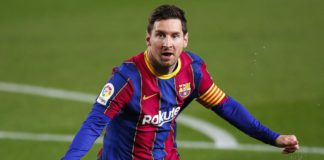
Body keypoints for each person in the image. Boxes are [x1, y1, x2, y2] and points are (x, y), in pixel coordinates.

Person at [62, 4, 299, 160]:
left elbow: (227, 106)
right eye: (160, 35)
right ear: (148, 39)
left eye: (175, 36)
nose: (167, 43)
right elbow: (94, 123)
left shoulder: (192, 72)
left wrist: (273, 137)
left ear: (185, 40)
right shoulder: (127, 79)